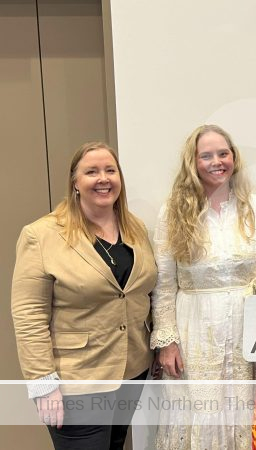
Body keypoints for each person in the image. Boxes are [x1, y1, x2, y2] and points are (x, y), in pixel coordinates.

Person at [151, 124, 256, 449]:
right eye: (206, 155)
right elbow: (163, 285)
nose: (216, 161)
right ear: (193, 162)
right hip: (195, 327)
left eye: (223, 153)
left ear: (234, 157)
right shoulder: (173, 212)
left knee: (244, 408)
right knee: (202, 409)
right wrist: (167, 342)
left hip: (245, 326)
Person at [11, 142, 158, 449]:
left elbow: (144, 293)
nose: (103, 178)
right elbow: (28, 314)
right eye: (91, 171)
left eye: (110, 170)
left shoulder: (136, 228)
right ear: (75, 182)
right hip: (77, 380)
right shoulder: (42, 235)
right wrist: (42, 384)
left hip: (132, 370)